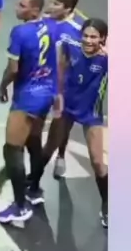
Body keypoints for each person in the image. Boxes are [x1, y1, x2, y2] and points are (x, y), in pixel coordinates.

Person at [28, 18, 108, 228]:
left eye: (93, 37)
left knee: (98, 162)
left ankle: (107, 205)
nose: (88, 40)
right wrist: (58, 95)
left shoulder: (108, 60)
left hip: (91, 113)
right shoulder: (72, 46)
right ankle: (32, 185)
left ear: (102, 39)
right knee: (49, 148)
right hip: (67, 108)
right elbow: (61, 67)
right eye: (85, 35)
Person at [0, 0, 59, 225]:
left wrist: (3, 86)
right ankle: (34, 189)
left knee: (12, 150)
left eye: (22, 5)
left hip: (27, 96)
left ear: (34, 10)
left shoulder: (20, 32)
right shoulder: (51, 26)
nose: (17, 7)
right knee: (33, 140)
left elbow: (13, 69)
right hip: (47, 93)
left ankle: (20, 206)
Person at [41, 0, 84, 178]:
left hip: (64, 88)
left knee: (61, 127)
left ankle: (60, 155)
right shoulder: (44, 20)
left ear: (68, 9)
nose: (50, 6)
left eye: (56, 4)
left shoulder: (78, 30)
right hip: (40, 81)